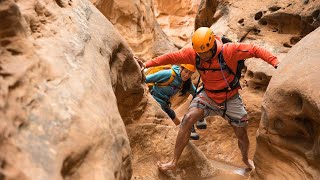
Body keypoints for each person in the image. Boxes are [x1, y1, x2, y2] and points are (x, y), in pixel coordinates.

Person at [137, 27, 280, 171]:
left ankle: (245, 159)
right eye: (199, 53)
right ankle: (173, 162)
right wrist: (146, 64)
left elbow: (255, 49)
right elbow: (171, 57)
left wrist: (275, 63)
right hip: (208, 95)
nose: (202, 56)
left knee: (241, 134)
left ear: (212, 46)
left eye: (205, 52)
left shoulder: (229, 51)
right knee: (187, 119)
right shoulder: (194, 54)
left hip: (230, 98)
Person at [145, 64, 200, 140]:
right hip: (154, 102)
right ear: (181, 69)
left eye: (190, 73)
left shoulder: (186, 82)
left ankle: (186, 131)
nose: (187, 75)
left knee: (172, 114)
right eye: (186, 71)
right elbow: (146, 79)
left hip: (164, 105)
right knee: (168, 116)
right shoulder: (168, 74)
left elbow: (196, 94)